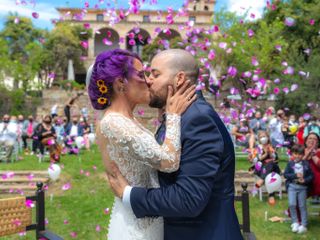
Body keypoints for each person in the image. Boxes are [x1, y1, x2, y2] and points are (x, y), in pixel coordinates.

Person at [106, 49, 243, 240]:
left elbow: (188, 199)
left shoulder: (198, 120)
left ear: (179, 78)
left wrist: (129, 194)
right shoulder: (180, 115)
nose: (148, 80)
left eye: (155, 74)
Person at [88, 49, 196, 240]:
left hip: (147, 215)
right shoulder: (114, 122)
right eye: (141, 74)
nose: (147, 80)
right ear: (121, 83)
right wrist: (173, 117)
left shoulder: (127, 120)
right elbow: (169, 162)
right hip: (137, 227)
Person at [284, 144, 313, 234]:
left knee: (302, 206)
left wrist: (305, 180)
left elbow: (311, 176)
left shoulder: (306, 164)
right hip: (292, 186)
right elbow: (286, 175)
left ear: (303, 154)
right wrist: (295, 175)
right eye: (295, 154)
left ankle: (304, 224)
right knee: (292, 204)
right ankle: (295, 222)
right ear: (292, 154)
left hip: (302, 188)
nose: (297, 156)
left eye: (300, 154)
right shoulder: (290, 164)